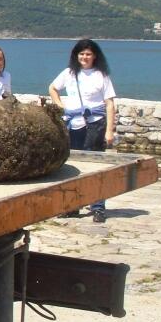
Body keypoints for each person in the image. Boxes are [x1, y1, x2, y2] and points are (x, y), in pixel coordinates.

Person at [48, 39, 116, 223]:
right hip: (74, 125)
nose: (85, 57)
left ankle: (98, 207)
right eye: (81, 54)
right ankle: (72, 205)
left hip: (95, 125)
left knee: (95, 166)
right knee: (73, 166)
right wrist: (60, 105)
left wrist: (109, 131)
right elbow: (53, 88)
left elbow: (110, 104)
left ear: (95, 56)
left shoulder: (101, 75)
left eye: (88, 54)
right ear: (76, 55)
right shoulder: (69, 73)